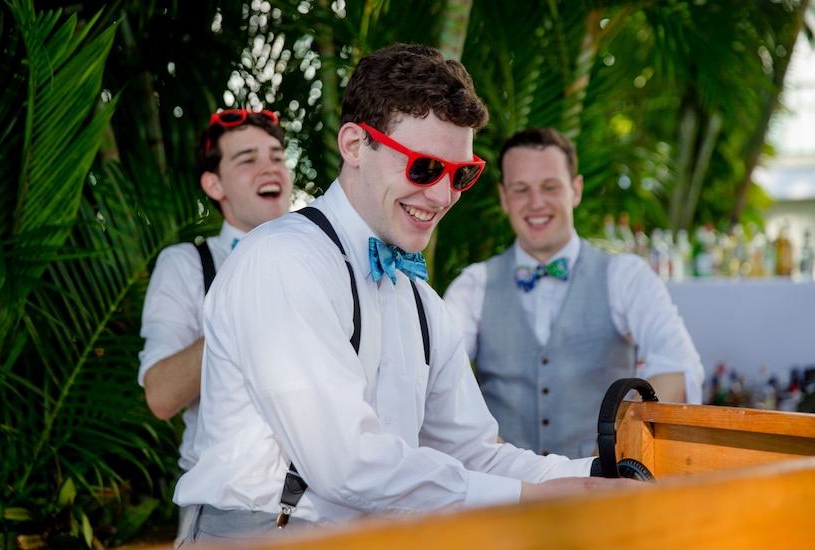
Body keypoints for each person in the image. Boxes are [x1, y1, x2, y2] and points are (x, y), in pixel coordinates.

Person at [172, 44, 636, 546]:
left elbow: (473, 454)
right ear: (354, 145)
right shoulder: (283, 261)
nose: (440, 197)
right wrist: (541, 498)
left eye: (459, 175)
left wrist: (605, 472)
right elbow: (345, 466)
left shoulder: (420, 300)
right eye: (421, 168)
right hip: (264, 533)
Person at [443, 126, 705, 458]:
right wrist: (494, 458)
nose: (536, 203)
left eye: (550, 187)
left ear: (576, 190)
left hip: (603, 490)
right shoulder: (474, 284)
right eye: (521, 189)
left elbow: (677, 366)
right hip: (504, 493)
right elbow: (437, 378)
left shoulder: (625, 276)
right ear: (504, 198)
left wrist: (617, 446)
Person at [137, 108, 293, 545]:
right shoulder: (186, 264)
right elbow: (161, 396)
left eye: (277, 156)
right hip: (227, 510)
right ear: (214, 184)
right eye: (247, 159)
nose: (269, 167)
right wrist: (243, 312)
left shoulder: (328, 261)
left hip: (327, 505)